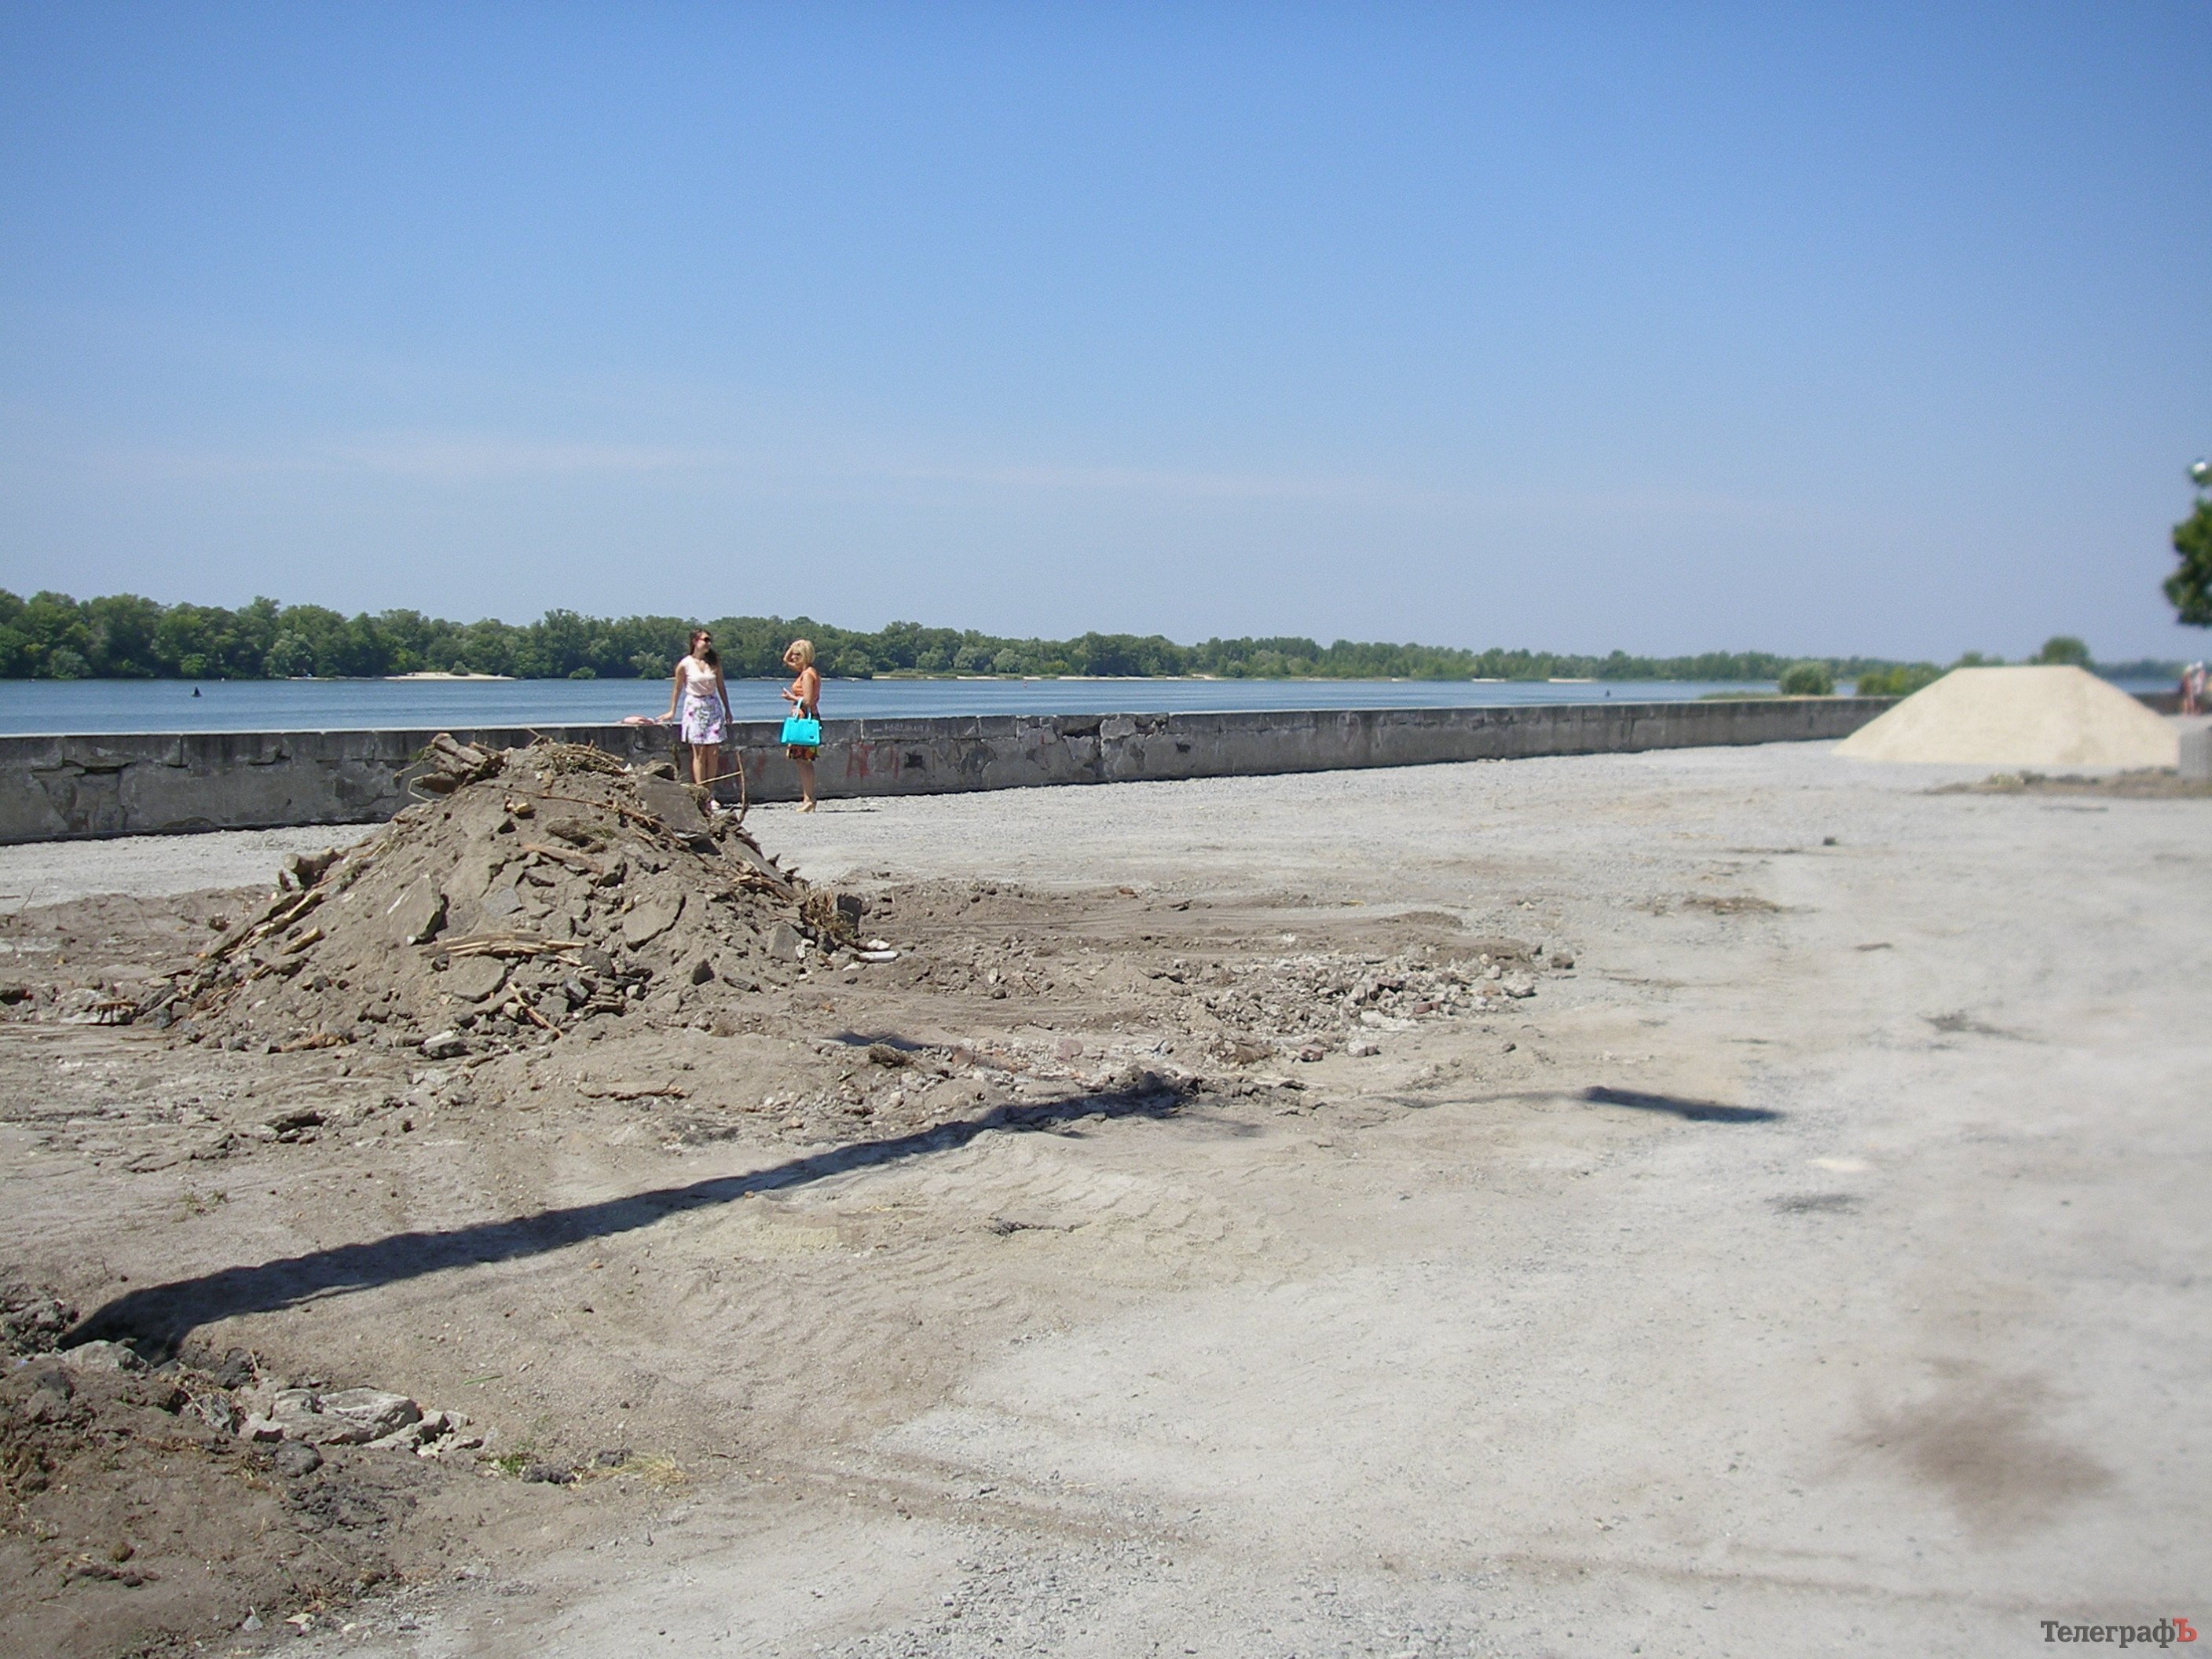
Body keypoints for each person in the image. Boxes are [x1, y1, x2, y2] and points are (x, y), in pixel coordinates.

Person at [665, 629, 733, 791]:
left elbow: (721, 686)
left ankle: (711, 791)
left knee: (713, 752)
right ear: (695, 641)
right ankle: (701, 790)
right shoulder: (685, 664)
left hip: (712, 705)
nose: (708, 643)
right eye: (705, 640)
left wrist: (727, 709)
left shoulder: (714, 662)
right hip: (695, 707)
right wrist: (672, 710)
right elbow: (677, 688)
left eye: (710, 640)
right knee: (699, 752)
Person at [781, 638, 821, 811]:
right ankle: (807, 798)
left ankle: (810, 798)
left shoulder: (807, 675)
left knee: (805, 760)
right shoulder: (807, 671)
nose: (794, 657)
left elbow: (808, 700)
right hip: (803, 717)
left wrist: (792, 698)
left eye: (798, 654)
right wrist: (792, 647)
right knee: (801, 760)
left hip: (804, 719)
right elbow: (786, 660)